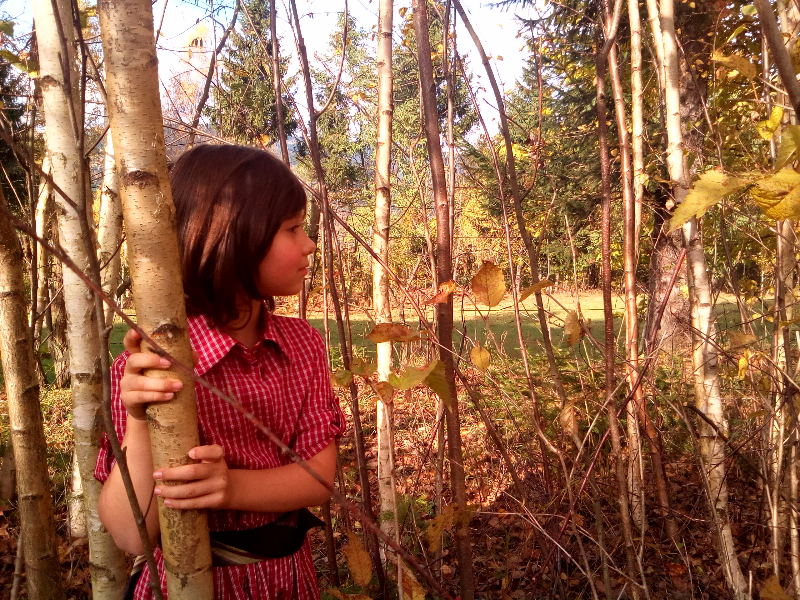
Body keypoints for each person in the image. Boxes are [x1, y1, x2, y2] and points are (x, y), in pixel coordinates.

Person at [95, 144, 345, 600]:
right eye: (292, 228)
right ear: (232, 237)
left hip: (286, 582)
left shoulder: (303, 347)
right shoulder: (153, 366)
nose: (309, 244)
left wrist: (231, 487)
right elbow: (131, 534)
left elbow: (319, 477)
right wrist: (140, 419)